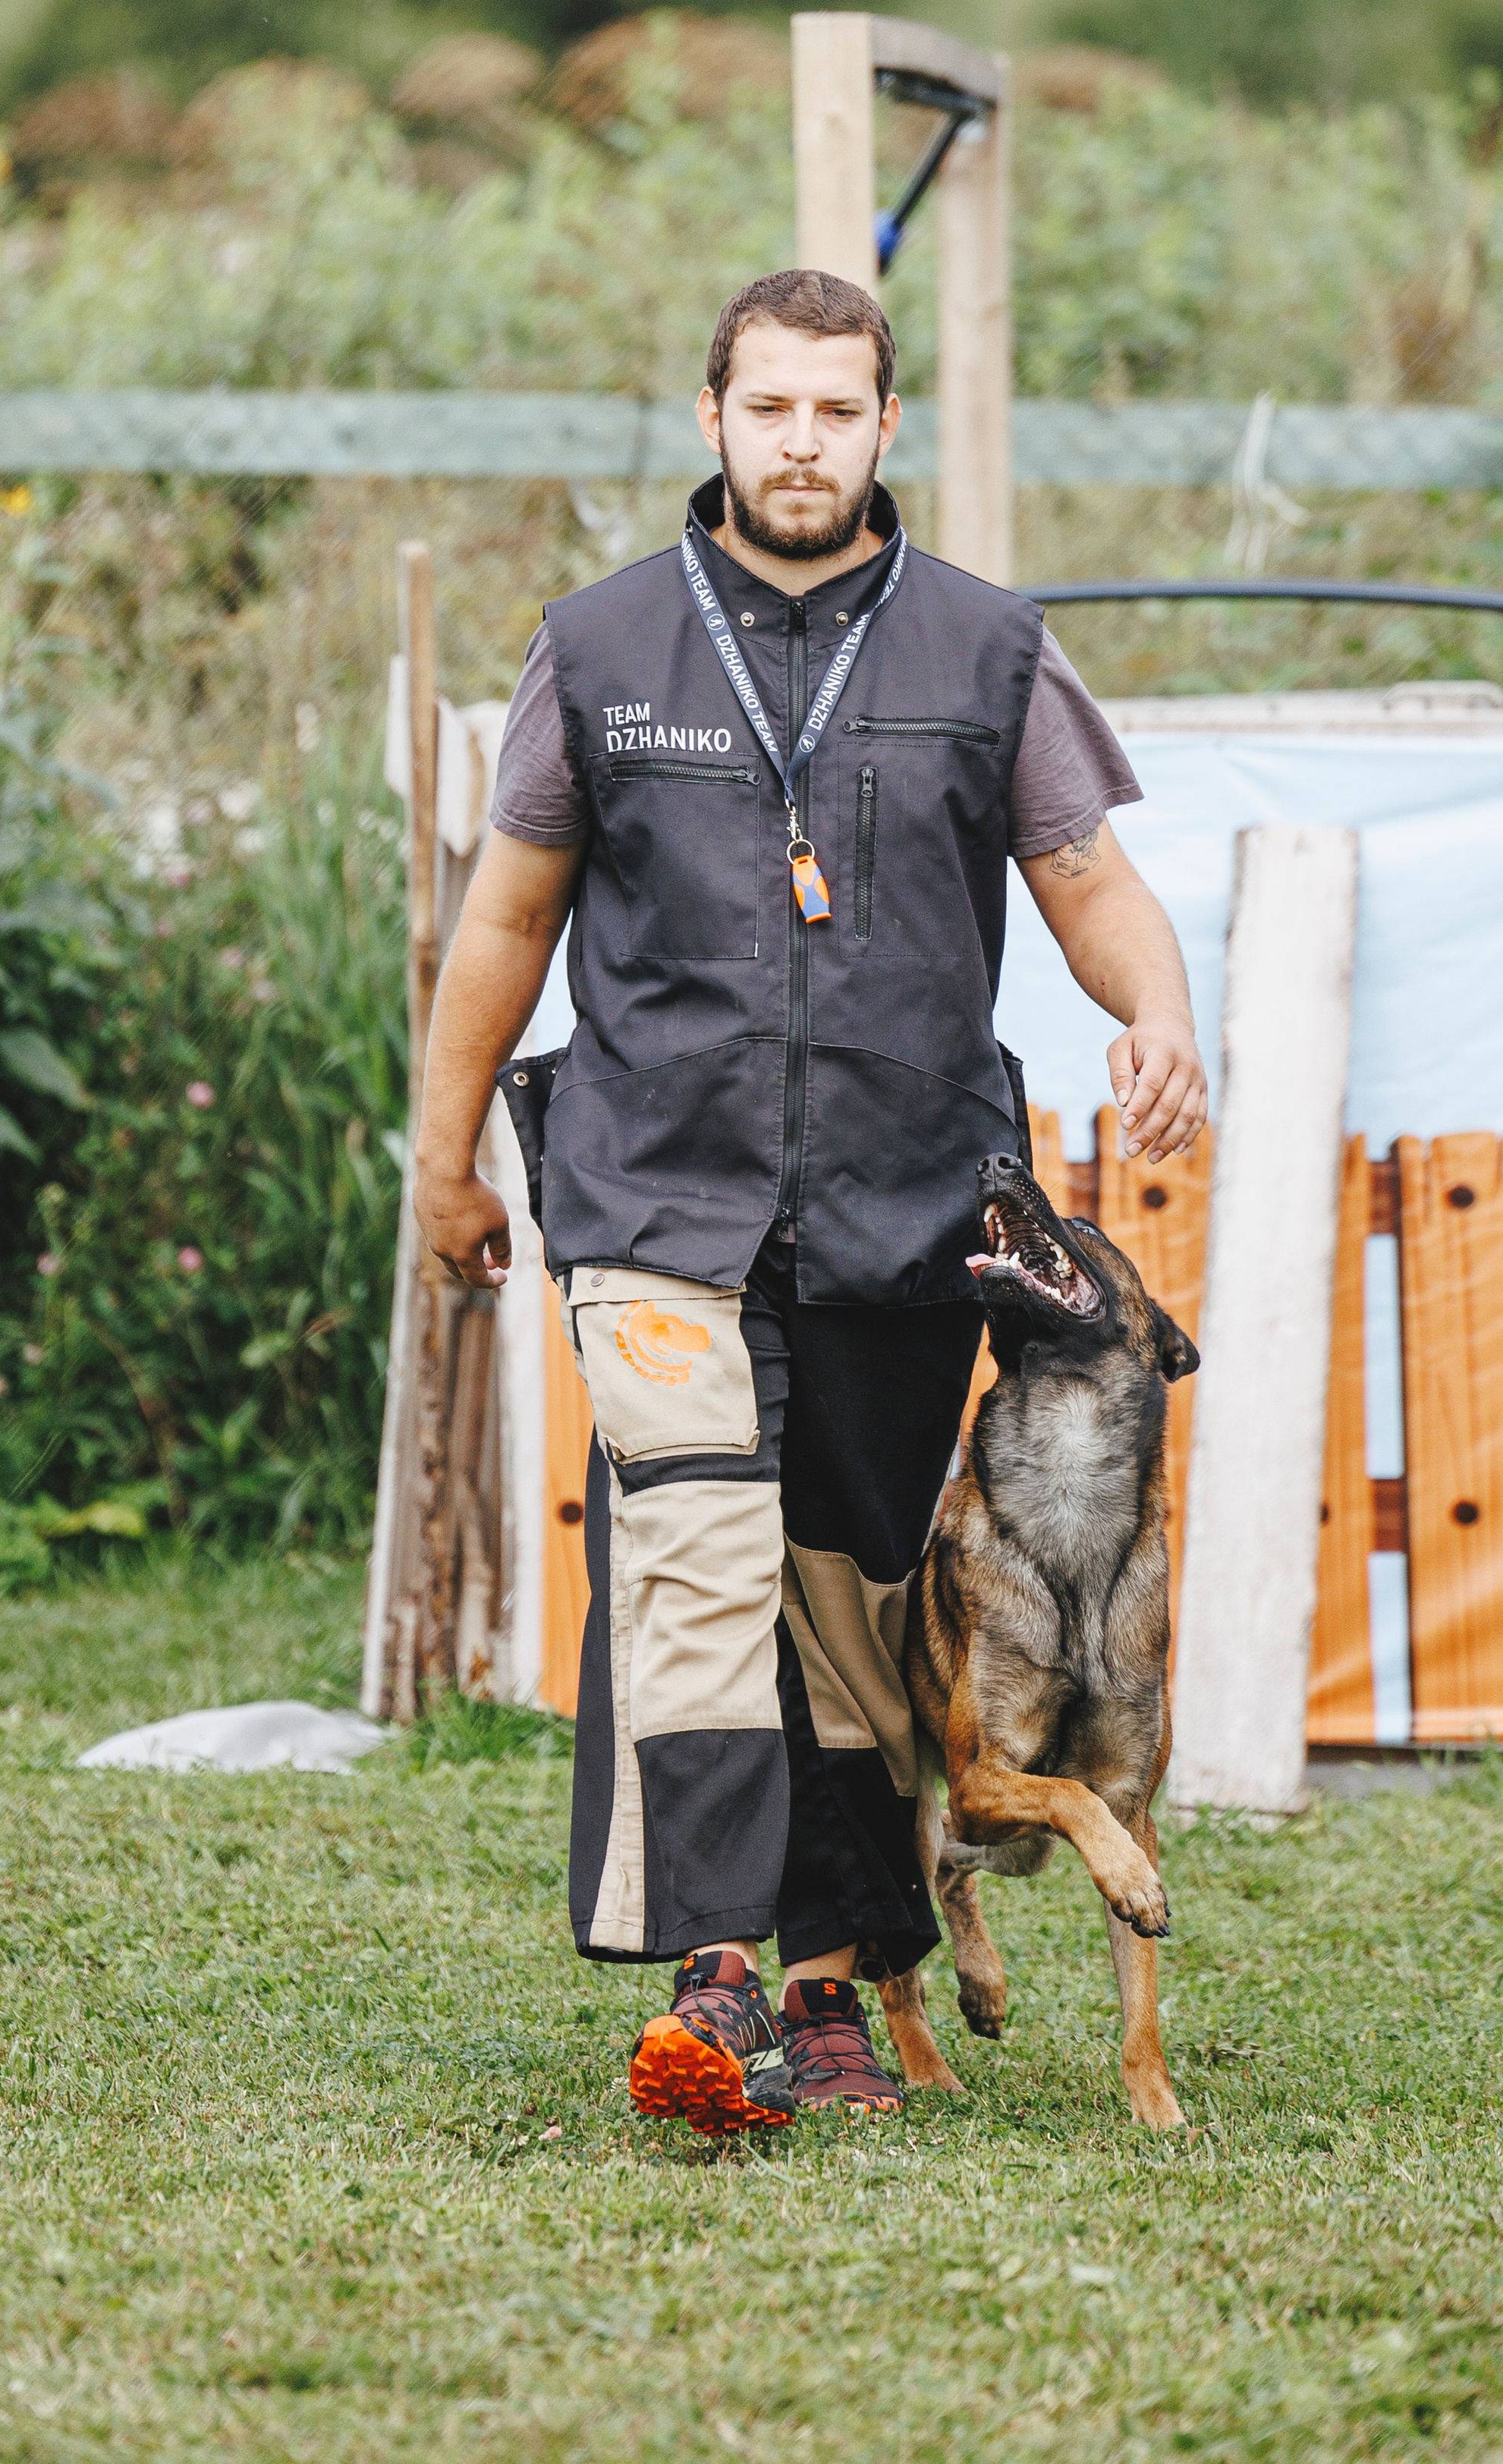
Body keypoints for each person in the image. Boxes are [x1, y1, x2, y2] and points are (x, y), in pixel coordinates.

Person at [416, 266, 1206, 2132]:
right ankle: (707, 1979)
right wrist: (443, 1157)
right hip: (654, 1192)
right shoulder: (598, 649)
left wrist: (1158, 1005)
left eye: (832, 410)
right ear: (711, 419)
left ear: (881, 426)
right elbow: (507, 920)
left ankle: (832, 1982)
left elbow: (1087, 879)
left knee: (853, 1594)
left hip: (904, 1207)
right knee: (693, 1549)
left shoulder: (985, 646)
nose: (798, 441)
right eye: (766, 407)